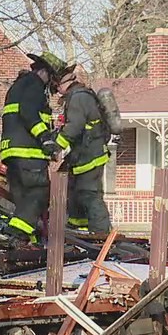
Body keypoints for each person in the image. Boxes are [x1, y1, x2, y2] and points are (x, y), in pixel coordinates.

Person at [0, 50, 72, 242]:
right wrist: (45, 138)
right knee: (39, 192)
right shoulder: (34, 84)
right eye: (52, 78)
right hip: (28, 153)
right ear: (44, 72)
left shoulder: (19, 86)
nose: (52, 84)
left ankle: (27, 241)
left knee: (24, 200)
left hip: (13, 153)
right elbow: (29, 112)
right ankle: (16, 233)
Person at [54, 68, 112, 233]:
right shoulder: (80, 95)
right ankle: (78, 229)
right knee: (75, 194)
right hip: (83, 156)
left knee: (90, 194)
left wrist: (56, 146)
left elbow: (75, 126)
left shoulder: (78, 97)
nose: (56, 90)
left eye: (57, 86)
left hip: (90, 157)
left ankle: (101, 234)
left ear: (65, 83)